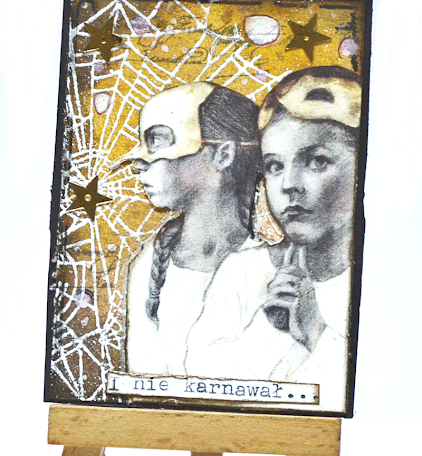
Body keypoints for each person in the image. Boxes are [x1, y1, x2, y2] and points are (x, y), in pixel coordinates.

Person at [185, 66, 362, 413]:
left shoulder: (386, 282)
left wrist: (315, 332)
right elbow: (198, 383)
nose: (288, 185)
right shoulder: (243, 272)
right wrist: (269, 327)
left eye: (316, 161)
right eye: (274, 166)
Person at [118, 82, 260, 377]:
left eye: (158, 143)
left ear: (223, 155)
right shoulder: (148, 265)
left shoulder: (271, 266)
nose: (139, 163)